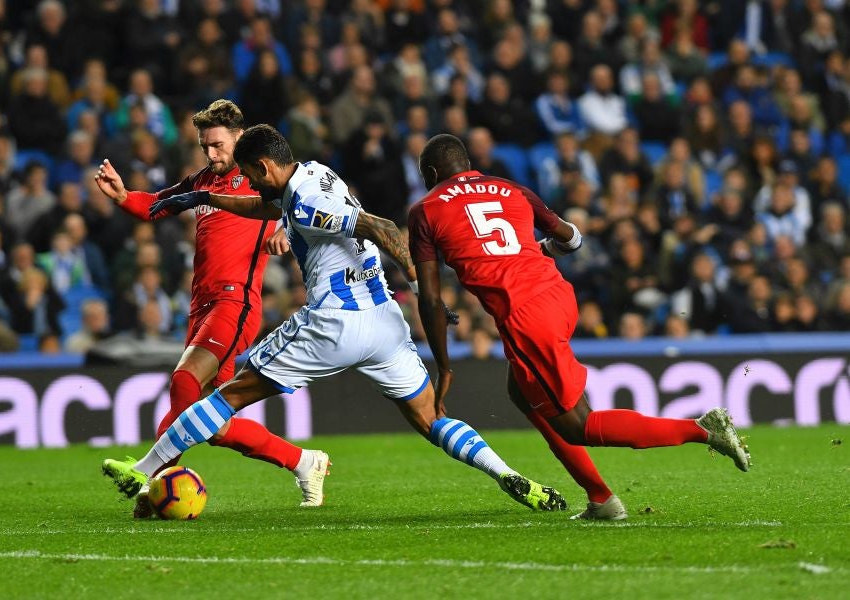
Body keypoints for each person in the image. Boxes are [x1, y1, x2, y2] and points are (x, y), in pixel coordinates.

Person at [102, 124, 566, 513]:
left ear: (264, 167)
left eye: (250, 176)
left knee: (228, 395)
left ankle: (143, 469)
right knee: (429, 417)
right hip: (383, 322)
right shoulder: (316, 175)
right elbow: (267, 205)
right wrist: (203, 198)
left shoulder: (304, 204)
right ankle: (507, 474)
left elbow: (381, 227)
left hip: (333, 322)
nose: (251, 185)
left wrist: (422, 284)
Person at [408, 134, 752, 521]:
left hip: (525, 316)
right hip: (558, 295)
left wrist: (444, 366)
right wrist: (541, 250)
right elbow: (571, 238)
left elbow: (431, 299)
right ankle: (601, 499)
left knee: (579, 425)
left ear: (431, 173)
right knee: (522, 393)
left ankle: (703, 430)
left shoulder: (426, 210)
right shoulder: (512, 189)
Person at [94, 100, 327, 516]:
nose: (212, 154)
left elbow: (302, 202)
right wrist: (125, 195)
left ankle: (151, 480)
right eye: (205, 146)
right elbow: (157, 204)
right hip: (201, 306)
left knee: (184, 380)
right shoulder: (202, 180)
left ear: (240, 137)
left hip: (234, 302)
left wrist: (283, 229)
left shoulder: (259, 177)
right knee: (213, 425)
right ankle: (303, 462)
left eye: (218, 145)